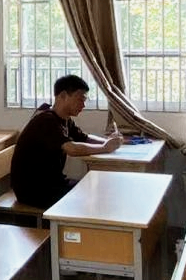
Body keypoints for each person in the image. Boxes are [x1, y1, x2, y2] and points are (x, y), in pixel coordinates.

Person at [10, 75, 123, 209]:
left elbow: (84, 138)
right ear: (63, 96)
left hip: (52, 184)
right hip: (34, 190)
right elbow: (71, 148)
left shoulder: (64, 119)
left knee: (94, 190)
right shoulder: (46, 120)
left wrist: (109, 141)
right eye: (80, 99)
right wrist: (105, 148)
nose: (83, 105)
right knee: (92, 196)